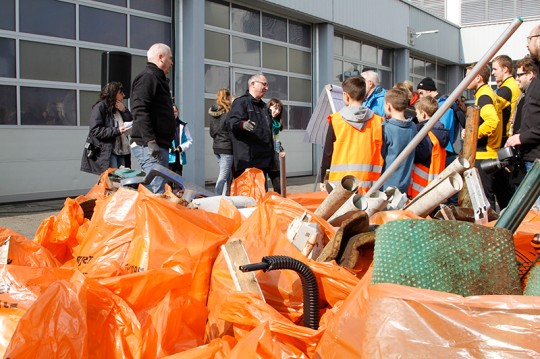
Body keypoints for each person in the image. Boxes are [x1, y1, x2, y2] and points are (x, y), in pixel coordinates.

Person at [319, 76, 384, 194]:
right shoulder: (378, 121)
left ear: (346, 95)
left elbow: (328, 152)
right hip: (368, 186)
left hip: (340, 186)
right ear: (364, 95)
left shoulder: (336, 120)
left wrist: (323, 177)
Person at [466, 63, 513, 211]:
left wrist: (472, 134)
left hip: (484, 156)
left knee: (485, 204)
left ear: (478, 78)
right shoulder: (490, 94)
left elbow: (492, 121)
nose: (465, 80)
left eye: (468, 76)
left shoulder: (484, 96)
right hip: (492, 154)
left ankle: (490, 232)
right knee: (501, 199)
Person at [130, 43, 175, 193]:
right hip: (149, 145)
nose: (172, 62)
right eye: (170, 58)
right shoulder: (147, 78)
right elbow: (140, 110)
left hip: (158, 144)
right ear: (161, 58)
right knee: (157, 191)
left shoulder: (157, 79)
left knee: (159, 189)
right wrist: (150, 141)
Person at [506, 26, 540, 209]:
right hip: (530, 159)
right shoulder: (536, 81)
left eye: (529, 39)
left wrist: (521, 137)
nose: (526, 45)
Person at [226, 73, 274, 184]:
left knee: (261, 193)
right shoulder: (241, 102)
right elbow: (231, 122)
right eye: (264, 84)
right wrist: (242, 124)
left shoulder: (264, 107)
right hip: (247, 160)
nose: (267, 88)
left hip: (264, 160)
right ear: (253, 84)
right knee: (246, 195)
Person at [81, 81, 131, 175]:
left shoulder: (119, 107)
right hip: (107, 151)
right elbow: (95, 130)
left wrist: (124, 110)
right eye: (121, 93)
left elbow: (130, 122)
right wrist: (117, 130)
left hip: (121, 151)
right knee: (113, 180)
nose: (123, 96)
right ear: (114, 93)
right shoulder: (100, 107)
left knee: (122, 180)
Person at [409, 96, 450, 198]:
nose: (416, 116)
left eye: (417, 113)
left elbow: (420, 154)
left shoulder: (424, 132)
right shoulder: (440, 131)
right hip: (434, 180)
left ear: (423, 114)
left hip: (420, 183)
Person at [381, 87, 418, 193]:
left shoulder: (386, 128)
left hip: (385, 184)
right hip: (404, 184)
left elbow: (380, 155)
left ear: (388, 106)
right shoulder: (413, 127)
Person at [416, 77, 458, 165]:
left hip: (443, 150)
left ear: (428, 91)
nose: (420, 96)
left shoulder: (445, 106)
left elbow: (443, 130)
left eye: (421, 93)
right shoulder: (443, 105)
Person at [209, 88, 233, 195]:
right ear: (227, 97)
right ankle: (217, 196)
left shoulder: (214, 114)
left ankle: (225, 197)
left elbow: (211, 132)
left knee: (227, 174)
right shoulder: (228, 113)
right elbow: (231, 130)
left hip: (217, 147)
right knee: (223, 175)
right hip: (227, 147)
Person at [491, 54, 521, 143]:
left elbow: (491, 109)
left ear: (505, 69)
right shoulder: (512, 85)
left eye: (495, 69)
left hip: (506, 137)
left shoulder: (507, 88)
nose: (492, 73)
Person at [509, 56, 537, 135]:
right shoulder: (523, 95)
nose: (516, 79)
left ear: (530, 75)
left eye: (519, 75)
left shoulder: (535, 96)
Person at [169, 104, 192, 177]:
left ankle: (179, 188)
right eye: (172, 111)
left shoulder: (183, 125)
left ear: (178, 112)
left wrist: (181, 148)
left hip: (179, 156)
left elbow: (189, 140)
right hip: (168, 157)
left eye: (175, 111)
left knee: (178, 179)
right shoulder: (165, 125)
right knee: (168, 180)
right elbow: (161, 140)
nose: (174, 113)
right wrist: (169, 149)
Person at [267, 98, 284, 194]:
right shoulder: (265, 120)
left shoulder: (276, 123)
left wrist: (280, 145)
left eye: (279, 110)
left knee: (277, 182)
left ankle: (279, 201)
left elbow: (276, 138)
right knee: (262, 183)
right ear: (269, 107)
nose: (277, 112)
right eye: (275, 108)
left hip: (274, 155)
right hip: (264, 155)